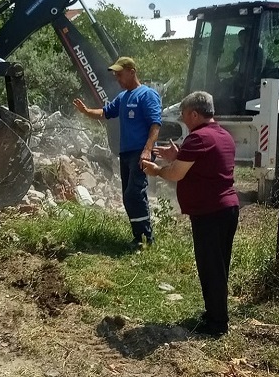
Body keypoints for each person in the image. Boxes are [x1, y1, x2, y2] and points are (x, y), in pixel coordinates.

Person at [141, 91, 239, 337]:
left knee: (210, 267)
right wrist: (178, 156)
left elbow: (176, 174)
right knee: (219, 265)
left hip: (210, 213)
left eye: (185, 115)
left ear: (194, 114)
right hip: (227, 209)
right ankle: (214, 313)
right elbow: (204, 165)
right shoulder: (224, 136)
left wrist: (158, 170)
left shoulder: (198, 138)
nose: (184, 120)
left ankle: (217, 324)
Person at [73, 56, 161, 249]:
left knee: (133, 193)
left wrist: (147, 150)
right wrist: (86, 111)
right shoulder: (123, 98)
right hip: (126, 153)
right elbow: (105, 113)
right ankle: (140, 237)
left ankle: (146, 238)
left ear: (132, 72)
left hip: (141, 153)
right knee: (129, 195)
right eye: (116, 76)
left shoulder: (147, 95)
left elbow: (155, 124)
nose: (118, 79)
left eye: (120, 75)